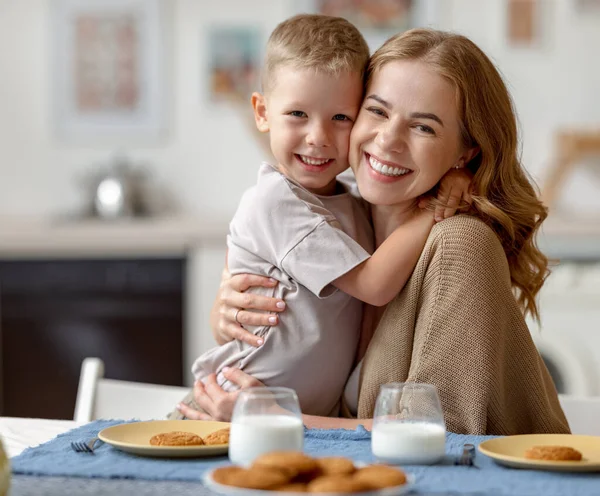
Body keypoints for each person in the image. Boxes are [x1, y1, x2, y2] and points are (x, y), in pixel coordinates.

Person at [177, 28, 570, 435]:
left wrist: (273, 419)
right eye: (378, 111)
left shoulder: (459, 244)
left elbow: (443, 436)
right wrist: (226, 314)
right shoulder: (342, 216)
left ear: (465, 153)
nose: (388, 140)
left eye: (424, 127)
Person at [174, 15, 472, 419]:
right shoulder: (275, 202)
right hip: (227, 409)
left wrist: (454, 176)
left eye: (340, 118)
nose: (319, 137)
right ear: (262, 112)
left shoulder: (352, 204)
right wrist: (434, 208)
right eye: (297, 114)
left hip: (296, 422)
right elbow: (374, 284)